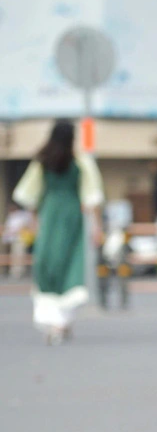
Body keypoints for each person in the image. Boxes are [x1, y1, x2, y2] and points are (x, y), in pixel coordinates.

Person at [12, 120, 105, 343]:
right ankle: (62, 322)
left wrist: (34, 222)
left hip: (49, 215)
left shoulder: (43, 160)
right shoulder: (80, 161)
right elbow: (92, 196)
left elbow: (29, 195)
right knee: (70, 266)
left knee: (47, 265)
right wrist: (97, 226)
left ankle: (50, 321)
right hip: (72, 216)